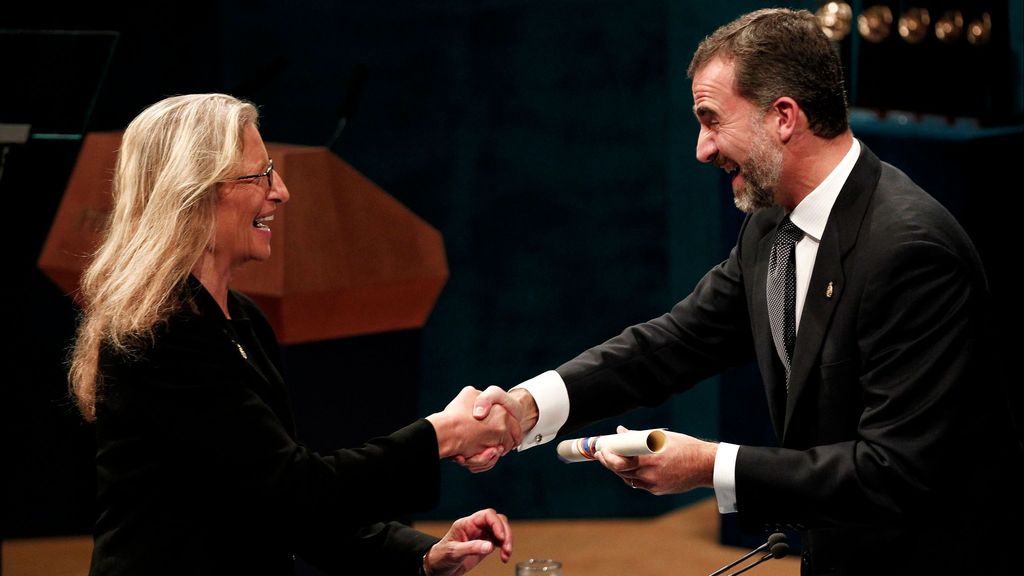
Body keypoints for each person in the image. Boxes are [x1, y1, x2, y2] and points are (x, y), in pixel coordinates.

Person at [471, 8, 1023, 574]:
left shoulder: (911, 251)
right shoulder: (770, 226)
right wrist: (527, 406)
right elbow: (673, 343)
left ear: (783, 116)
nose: (702, 149)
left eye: (711, 120)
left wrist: (713, 466)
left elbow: (894, 469)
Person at [68, 93, 517, 576]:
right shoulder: (158, 329)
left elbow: (282, 504)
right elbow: (292, 489)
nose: (280, 191)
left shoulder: (241, 317)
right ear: (193, 191)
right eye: (258, 175)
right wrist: (443, 434)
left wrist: (421, 555)